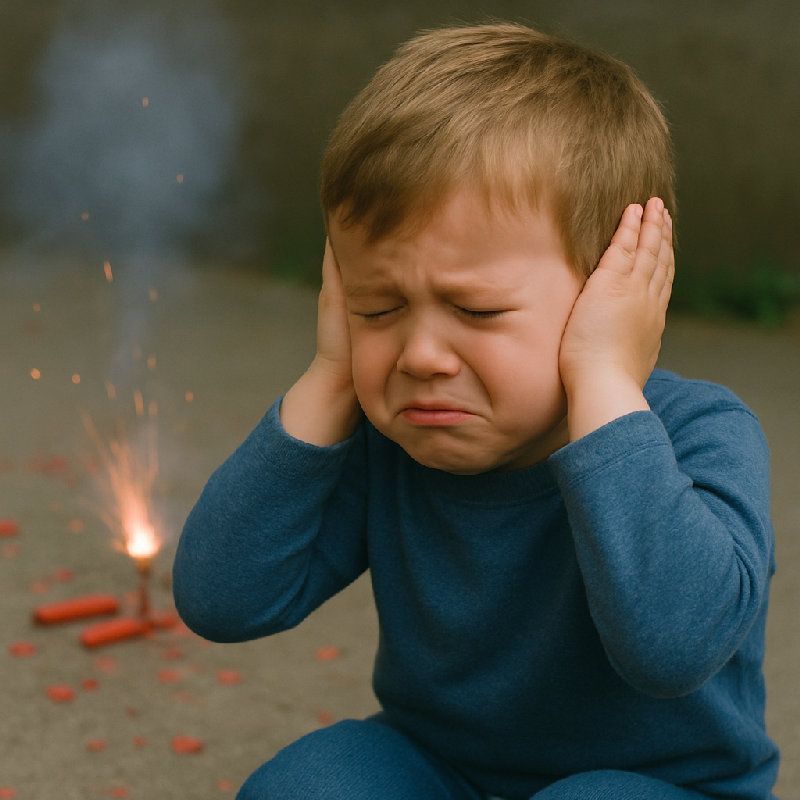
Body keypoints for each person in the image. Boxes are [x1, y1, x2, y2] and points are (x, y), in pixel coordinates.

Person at [173, 22, 779, 799]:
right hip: (443, 767)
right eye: (378, 307)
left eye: (478, 311)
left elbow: (671, 647)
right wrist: (332, 373)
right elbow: (223, 599)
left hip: (659, 785)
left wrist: (602, 379)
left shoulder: (705, 433)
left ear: (610, 295)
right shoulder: (397, 437)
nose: (421, 355)